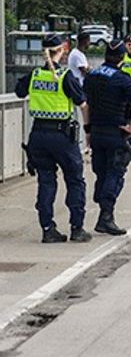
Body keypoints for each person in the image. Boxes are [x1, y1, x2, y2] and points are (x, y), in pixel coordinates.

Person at [15, 34, 91, 243]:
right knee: (75, 180)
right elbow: (82, 104)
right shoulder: (66, 76)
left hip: (38, 135)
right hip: (62, 136)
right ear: (62, 50)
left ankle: (48, 228)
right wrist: (88, 130)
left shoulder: (35, 75)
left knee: (46, 182)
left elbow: (19, 91)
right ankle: (77, 228)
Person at [83, 39, 131, 236]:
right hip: (115, 132)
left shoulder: (91, 75)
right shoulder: (122, 78)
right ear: (123, 57)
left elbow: (86, 105)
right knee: (115, 173)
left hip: (96, 131)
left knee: (101, 172)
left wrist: (88, 130)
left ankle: (101, 196)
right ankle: (106, 216)